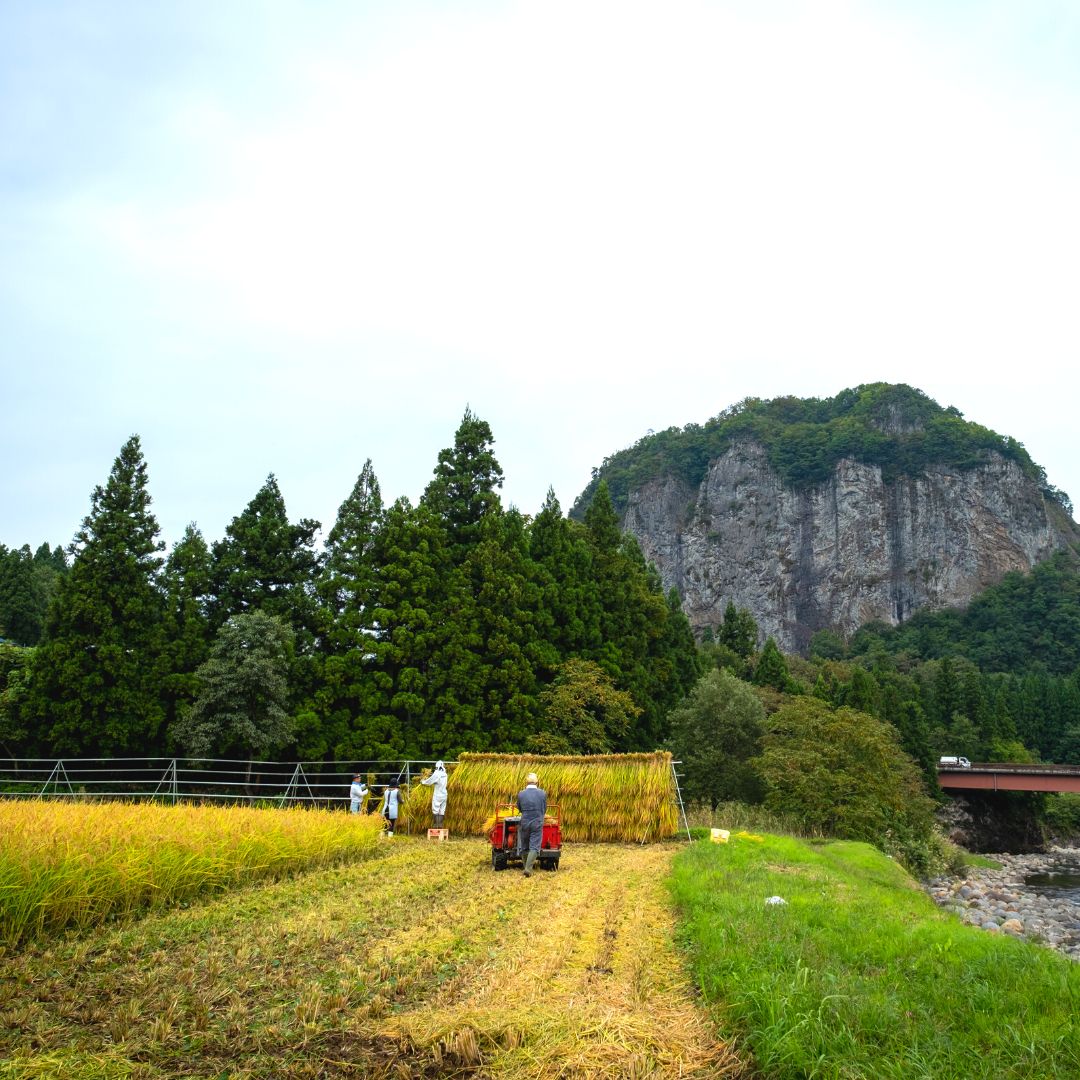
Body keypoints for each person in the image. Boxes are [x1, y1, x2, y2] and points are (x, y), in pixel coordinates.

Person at [516, 772, 547, 877]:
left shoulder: (521, 793)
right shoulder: (542, 793)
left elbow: (519, 808)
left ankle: (526, 868)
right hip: (537, 822)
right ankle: (528, 869)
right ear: (537, 781)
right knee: (534, 846)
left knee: (524, 846)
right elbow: (544, 809)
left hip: (524, 822)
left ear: (526, 781)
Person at [421, 760, 448, 828]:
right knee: (442, 810)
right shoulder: (445, 774)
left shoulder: (437, 774)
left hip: (438, 794)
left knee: (435, 810)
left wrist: (423, 782)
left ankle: (436, 825)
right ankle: (440, 825)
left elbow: (430, 781)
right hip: (444, 794)